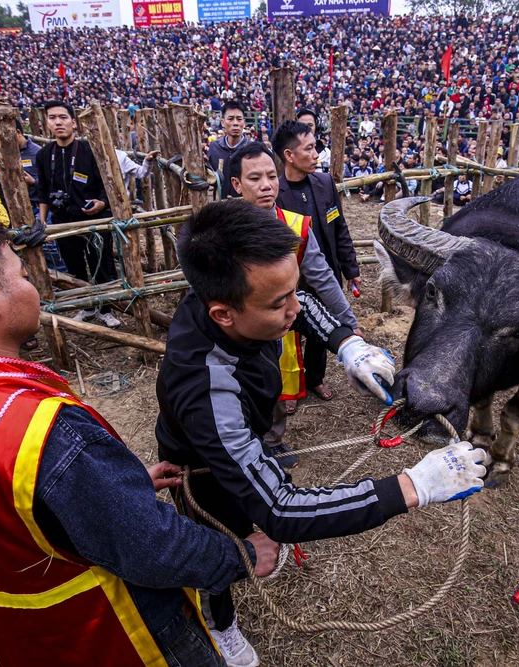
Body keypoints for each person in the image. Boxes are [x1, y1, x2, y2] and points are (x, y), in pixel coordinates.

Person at [0, 207, 281, 667]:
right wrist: (240, 553)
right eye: (21, 275)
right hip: (120, 629)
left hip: (31, 635)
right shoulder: (45, 428)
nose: (32, 286)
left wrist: (117, 487)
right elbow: (148, 547)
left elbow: (14, 508)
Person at [156, 198, 488, 667]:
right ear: (222, 315)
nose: (294, 307)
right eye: (278, 302)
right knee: (223, 538)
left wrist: (347, 343)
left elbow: (305, 302)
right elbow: (281, 510)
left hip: (244, 433)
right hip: (201, 464)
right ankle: (220, 622)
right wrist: (415, 486)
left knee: (254, 499)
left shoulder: (242, 297)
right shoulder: (206, 390)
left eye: (292, 288)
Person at [228, 141, 361, 469]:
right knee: (238, 390)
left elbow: (323, 278)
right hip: (235, 330)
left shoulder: (296, 226)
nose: (266, 186)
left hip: (278, 329)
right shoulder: (223, 229)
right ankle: (242, 446)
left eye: (271, 177)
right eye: (254, 178)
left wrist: (349, 323)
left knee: (274, 384)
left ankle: (272, 440)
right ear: (236, 184)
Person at [273, 120, 361, 403]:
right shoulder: (275, 193)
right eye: (309, 149)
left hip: (326, 272)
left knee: (323, 329)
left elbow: (339, 227)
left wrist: (351, 269)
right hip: (293, 277)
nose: (316, 155)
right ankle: (288, 385)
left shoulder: (324, 183)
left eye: (316, 148)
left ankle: (315, 379)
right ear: (289, 155)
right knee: (289, 333)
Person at [34, 100, 121, 328]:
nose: (58, 122)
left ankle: (106, 309)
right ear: (47, 123)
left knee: (100, 263)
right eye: (52, 118)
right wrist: (43, 222)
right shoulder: (44, 155)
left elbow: (106, 183)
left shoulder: (89, 150)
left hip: (93, 219)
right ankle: (87, 307)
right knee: (74, 267)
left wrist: (102, 203)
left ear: (74, 122)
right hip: (63, 221)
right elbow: (42, 191)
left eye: (63, 117)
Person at [15, 119, 66, 273]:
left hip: (41, 207)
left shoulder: (38, 153)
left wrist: (33, 182)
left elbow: (52, 183)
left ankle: (63, 276)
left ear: (18, 133)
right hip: (20, 209)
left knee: (50, 247)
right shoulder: (3, 154)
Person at [207, 101, 249, 200]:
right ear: (223, 122)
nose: (235, 123)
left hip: (245, 207)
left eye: (239, 119)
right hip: (220, 206)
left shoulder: (251, 150)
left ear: (244, 123)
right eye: (230, 119)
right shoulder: (214, 148)